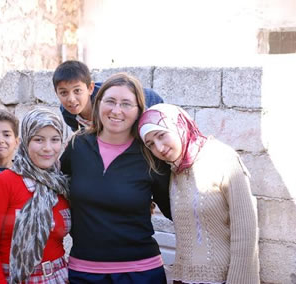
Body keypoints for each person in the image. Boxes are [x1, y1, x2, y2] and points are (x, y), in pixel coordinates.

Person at [60, 73, 171, 284]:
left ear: (139, 110)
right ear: (98, 103)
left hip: (141, 273)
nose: (116, 110)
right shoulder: (77, 147)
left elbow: (175, 209)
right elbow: (53, 190)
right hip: (84, 272)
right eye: (110, 101)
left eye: (127, 104)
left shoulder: (150, 154)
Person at [138, 103, 260, 284]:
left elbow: (246, 229)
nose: (160, 148)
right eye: (151, 144)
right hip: (183, 278)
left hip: (224, 279)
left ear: (179, 125)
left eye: (161, 135)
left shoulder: (221, 157)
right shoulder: (173, 171)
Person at [0, 108, 70, 283]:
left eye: (55, 139)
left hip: (59, 277)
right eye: (38, 139)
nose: (47, 148)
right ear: (25, 141)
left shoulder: (61, 185)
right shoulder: (4, 183)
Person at [53, 60, 164, 131]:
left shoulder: (105, 100)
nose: (71, 99)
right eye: (63, 93)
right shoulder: (67, 113)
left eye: (77, 91)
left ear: (90, 88)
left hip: (148, 102)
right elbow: (81, 134)